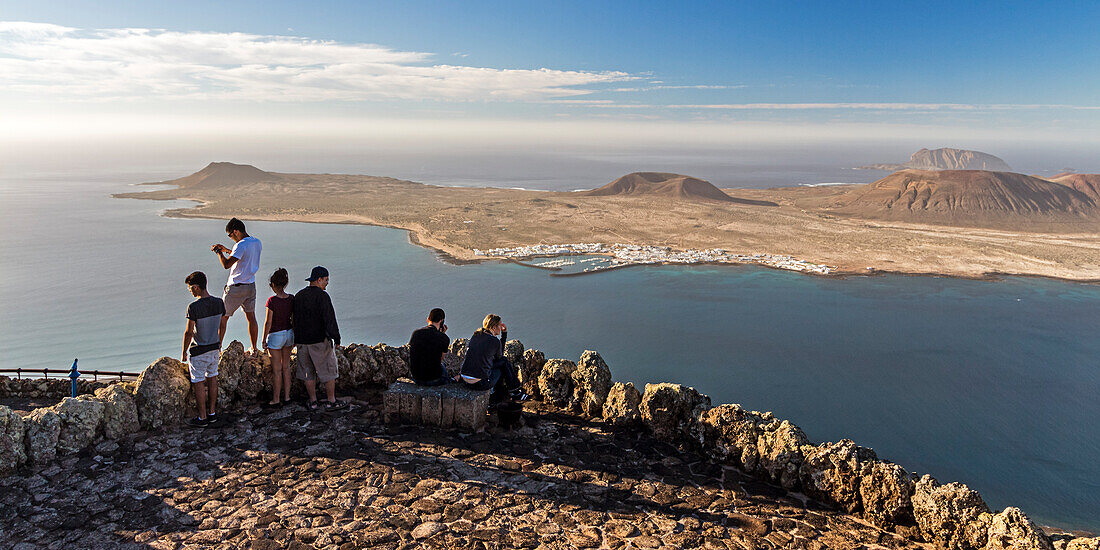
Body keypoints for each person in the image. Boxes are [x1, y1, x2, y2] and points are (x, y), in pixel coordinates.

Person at [292, 266, 347, 411]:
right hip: (319, 341)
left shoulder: (299, 296)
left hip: (302, 342)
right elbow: (329, 319)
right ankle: (331, 401)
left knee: (307, 373)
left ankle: (313, 401)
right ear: (319, 279)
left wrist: (296, 339)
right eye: (326, 280)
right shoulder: (322, 296)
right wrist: (337, 339)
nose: (327, 283)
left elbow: (294, 320)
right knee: (328, 372)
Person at [211, 217, 262, 355]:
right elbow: (242, 256)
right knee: (251, 317)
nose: (231, 238)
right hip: (250, 285)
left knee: (223, 317)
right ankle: (254, 348)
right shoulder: (256, 242)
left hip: (235, 287)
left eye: (230, 235)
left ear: (235, 231)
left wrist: (219, 252)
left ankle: (218, 348)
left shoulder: (240, 245)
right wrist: (228, 250)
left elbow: (227, 265)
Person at [181, 271, 225, 427]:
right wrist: (219, 341)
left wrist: (184, 352)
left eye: (190, 288)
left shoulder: (193, 307)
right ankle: (212, 413)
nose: (190, 291)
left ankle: (202, 417)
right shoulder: (219, 303)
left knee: (199, 382)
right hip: (214, 348)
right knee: (213, 378)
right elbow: (222, 324)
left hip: (199, 350)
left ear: (197, 287)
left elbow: (188, 332)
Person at [459, 314, 528, 404]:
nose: (501, 326)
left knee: (499, 365)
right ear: (494, 327)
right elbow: (500, 357)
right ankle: (515, 393)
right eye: (500, 325)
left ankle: (498, 399)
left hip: (465, 380)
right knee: (503, 363)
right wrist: (504, 335)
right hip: (479, 384)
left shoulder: (475, 335)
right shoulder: (494, 341)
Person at [262, 267, 294, 406]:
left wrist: (263, 339)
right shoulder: (291, 299)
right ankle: (287, 397)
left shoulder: (272, 301)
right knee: (286, 367)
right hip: (289, 334)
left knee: (277, 370)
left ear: (273, 285)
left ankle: (276, 399)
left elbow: (268, 322)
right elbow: (294, 318)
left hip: (275, 336)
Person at [408, 308, 451, 386]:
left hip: (416, 378)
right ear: (441, 321)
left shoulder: (416, 333)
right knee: (443, 366)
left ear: (428, 319)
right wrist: (443, 334)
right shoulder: (444, 338)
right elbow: (441, 359)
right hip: (434, 379)